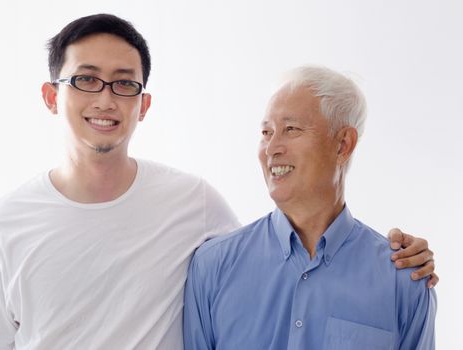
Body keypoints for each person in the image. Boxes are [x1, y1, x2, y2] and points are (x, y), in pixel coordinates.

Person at [0, 14, 436, 350]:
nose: (105, 98)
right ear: (51, 96)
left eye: (124, 83)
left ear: (143, 104)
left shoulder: (194, 205)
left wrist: (401, 259)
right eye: (86, 80)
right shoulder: (6, 225)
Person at [183, 66, 437, 350]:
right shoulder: (212, 266)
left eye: (291, 129)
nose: (271, 149)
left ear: (343, 145)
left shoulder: (403, 280)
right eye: (266, 132)